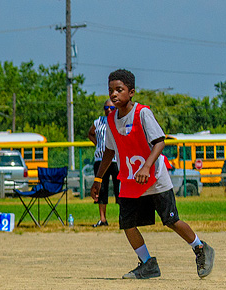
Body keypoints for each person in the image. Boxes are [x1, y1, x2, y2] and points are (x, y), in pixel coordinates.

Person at [90, 69, 215, 279]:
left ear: (131, 92)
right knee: (127, 223)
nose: (114, 94)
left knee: (171, 220)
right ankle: (148, 263)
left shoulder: (142, 113)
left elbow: (159, 141)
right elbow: (109, 151)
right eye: (110, 90)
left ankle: (200, 248)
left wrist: (147, 166)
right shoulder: (111, 120)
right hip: (130, 180)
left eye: (119, 90)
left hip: (155, 179)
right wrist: (98, 179)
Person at [88, 105, 118, 228]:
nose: (109, 109)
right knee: (101, 188)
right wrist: (97, 144)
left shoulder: (119, 119)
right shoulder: (98, 121)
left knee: (119, 188)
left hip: (116, 159)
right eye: (106, 107)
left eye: (111, 107)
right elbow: (90, 133)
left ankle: (124, 218)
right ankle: (103, 219)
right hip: (100, 159)